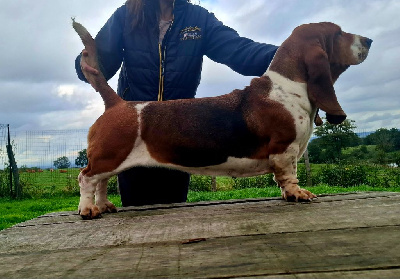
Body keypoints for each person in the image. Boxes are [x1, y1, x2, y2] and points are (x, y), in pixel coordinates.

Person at [75, 0, 278, 207]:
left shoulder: (199, 19)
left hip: (179, 133)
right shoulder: (126, 15)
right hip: (134, 132)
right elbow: (101, 63)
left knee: (174, 214)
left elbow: (240, 51)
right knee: (134, 218)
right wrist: (84, 64)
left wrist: (290, 55)